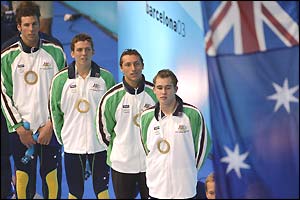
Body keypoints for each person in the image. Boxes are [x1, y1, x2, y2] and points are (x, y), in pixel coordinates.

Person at [1, 1, 66, 199]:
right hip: (22, 132)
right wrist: (19, 128)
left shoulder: (55, 50)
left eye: (34, 24)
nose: (31, 29)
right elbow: (4, 94)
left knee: (51, 180)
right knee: (23, 180)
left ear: (39, 24)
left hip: (49, 130)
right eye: (26, 25)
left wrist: (51, 125)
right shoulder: (7, 55)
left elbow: (63, 92)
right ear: (19, 26)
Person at [49, 33, 116, 199]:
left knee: (102, 190)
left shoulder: (105, 78)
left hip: (100, 145)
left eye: (87, 49)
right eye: (79, 50)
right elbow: (55, 112)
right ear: (72, 53)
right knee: (75, 191)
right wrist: (64, 139)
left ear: (93, 52)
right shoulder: (60, 80)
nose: (83, 53)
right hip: (73, 146)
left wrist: (108, 140)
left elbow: (113, 112)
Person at [139, 69, 212, 199]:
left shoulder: (192, 114)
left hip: (185, 188)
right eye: (159, 88)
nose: (163, 92)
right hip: (157, 188)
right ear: (154, 89)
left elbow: (202, 149)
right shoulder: (146, 117)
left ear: (176, 89)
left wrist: (188, 170)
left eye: (168, 87)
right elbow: (147, 148)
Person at [96, 49, 157, 199]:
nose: (133, 68)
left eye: (136, 64)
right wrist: (120, 151)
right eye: (128, 65)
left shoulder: (155, 93)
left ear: (143, 65)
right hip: (122, 166)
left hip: (151, 165)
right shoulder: (111, 98)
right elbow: (103, 132)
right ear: (121, 68)